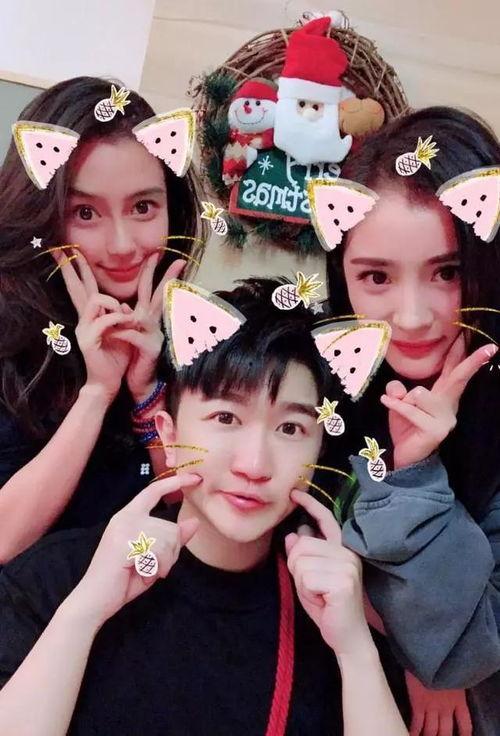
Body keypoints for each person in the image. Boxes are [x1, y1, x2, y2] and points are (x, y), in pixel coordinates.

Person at [0, 278, 408, 735]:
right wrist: (83, 613)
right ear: (169, 436)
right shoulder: (54, 581)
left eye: (291, 429)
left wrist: (356, 652)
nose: (254, 465)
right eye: (226, 418)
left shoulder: (333, 613)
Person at [322, 106, 500, 733]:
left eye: (448, 273)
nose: (414, 317)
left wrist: (416, 472)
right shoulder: (313, 378)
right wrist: (407, 655)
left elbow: (470, 650)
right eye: (376, 276)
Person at [0, 76, 204, 563]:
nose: (122, 245)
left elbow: (190, 508)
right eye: (85, 213)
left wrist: (145, 391)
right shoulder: (9, 337)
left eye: (143, 207)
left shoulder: (191, 331)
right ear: (41, 214)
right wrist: (97, 392)